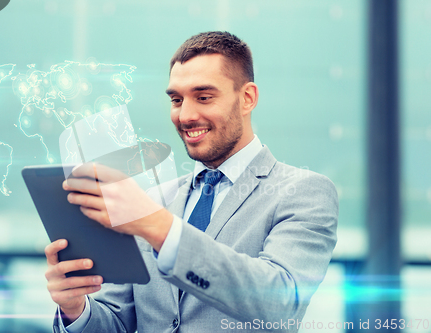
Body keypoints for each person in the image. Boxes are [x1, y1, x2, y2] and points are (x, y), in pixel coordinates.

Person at [44, 31, 338, 333]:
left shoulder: (303, 191)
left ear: (247, 98)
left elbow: (279, 304)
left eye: (204, 97)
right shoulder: (154, 199)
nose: (185, 115)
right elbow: (117, 322)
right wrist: (74, 309)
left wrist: (159, 227)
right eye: (176, 99)